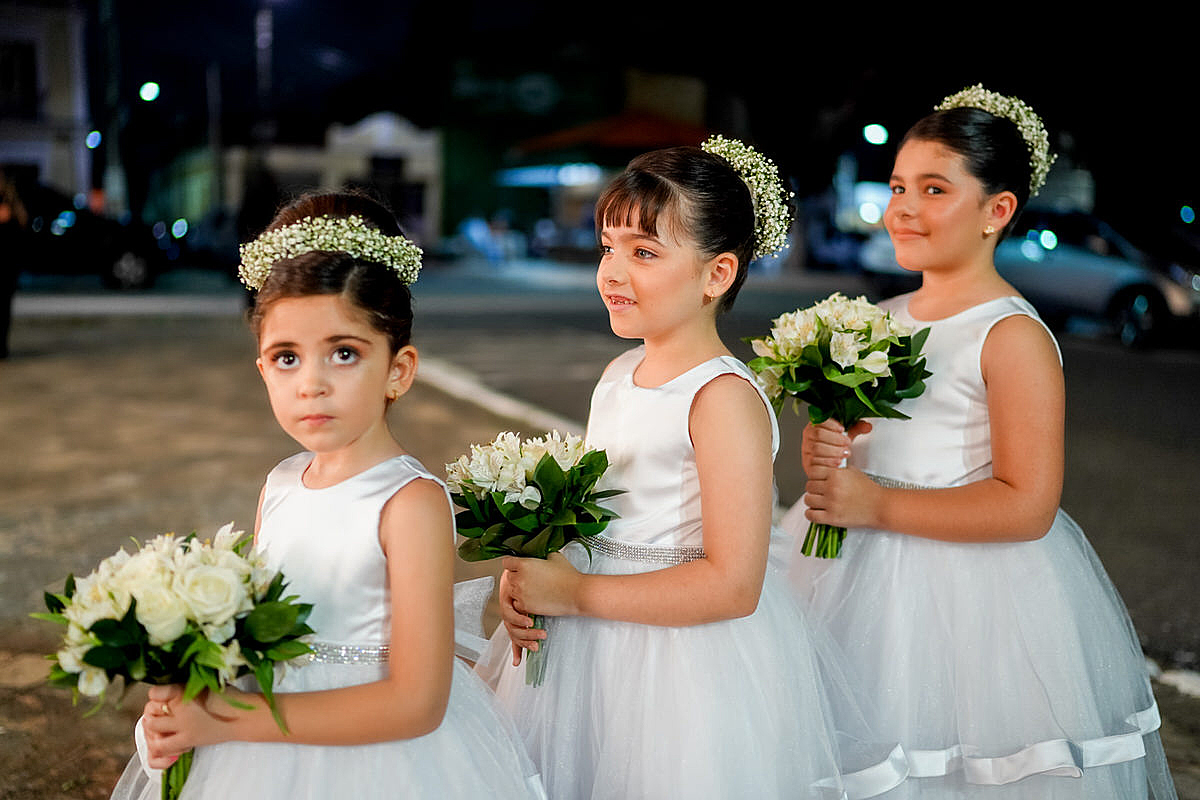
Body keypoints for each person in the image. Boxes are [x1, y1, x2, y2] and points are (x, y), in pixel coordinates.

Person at [785, 85, 1178, 799]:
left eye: (934, 189)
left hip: (967, 601)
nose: (903, 207)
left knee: (954, 769)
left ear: (997, 211)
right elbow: (867, 439)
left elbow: (1028, 505)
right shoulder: (876, 317)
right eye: (898, 186)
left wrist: (878, 506)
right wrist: (829, 446)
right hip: (848, 575)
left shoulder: (1010, 334)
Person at [480, 138, 905, 799]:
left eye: (644, 253)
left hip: (679, 668)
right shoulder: (619, 374)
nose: (612, 272)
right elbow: (597, 520)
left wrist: (577, 595)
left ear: (717, 274)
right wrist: (537, 576)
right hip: (587, 651)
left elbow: (734, 585)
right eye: (608, 247)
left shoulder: (722, 397)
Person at [111, 191, 545, 799]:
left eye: (344, 354)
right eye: (286, 357)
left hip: (381, 765)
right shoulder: (281, 484)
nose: (311, 384)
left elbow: (417, 703)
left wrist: (228, 719)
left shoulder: (410, 503)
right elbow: (256, 631)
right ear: (262, 370)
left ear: (398, 369)